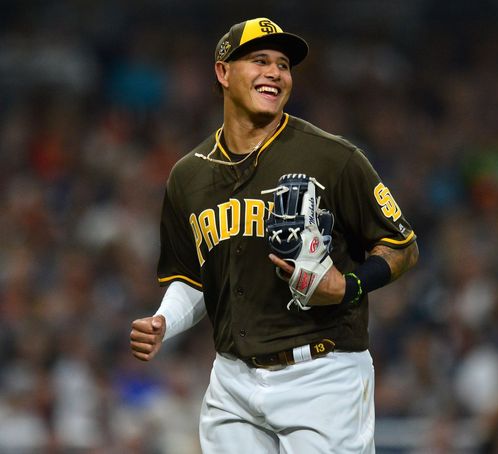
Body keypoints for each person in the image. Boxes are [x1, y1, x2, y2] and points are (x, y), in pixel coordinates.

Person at [129, 17, 418, 453]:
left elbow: (402, 245)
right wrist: (163, 322)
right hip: (233, 380)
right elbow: (190, 278)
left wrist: (350, 285)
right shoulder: (188, 176)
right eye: (259, 60)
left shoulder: (333, 157)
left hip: (322, 374)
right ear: (223, 72)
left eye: (283, 65)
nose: (275, 73)